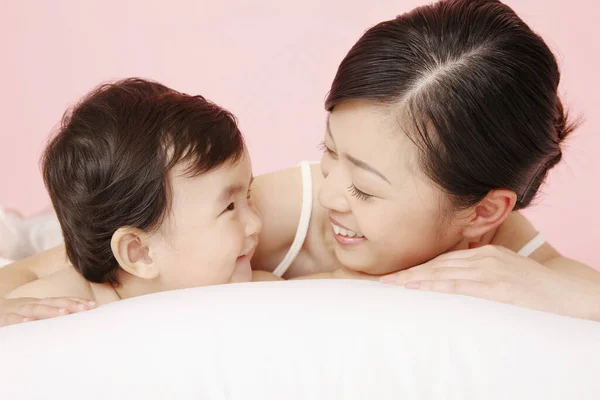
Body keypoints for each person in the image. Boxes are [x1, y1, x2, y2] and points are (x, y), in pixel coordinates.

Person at [2, 0, 599, 325]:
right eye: (330, 152)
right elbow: (95, 259)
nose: (334, 190)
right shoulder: (282, 212)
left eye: (365, 188)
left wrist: (546, 286)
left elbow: (579, 287)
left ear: (483, 212)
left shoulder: (494, 243)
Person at [1, 78, 279, 324]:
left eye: (249, 196)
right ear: (140, 252)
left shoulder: (250, 286)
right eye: (229, 207)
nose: (255, 223)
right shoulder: (72, 303)